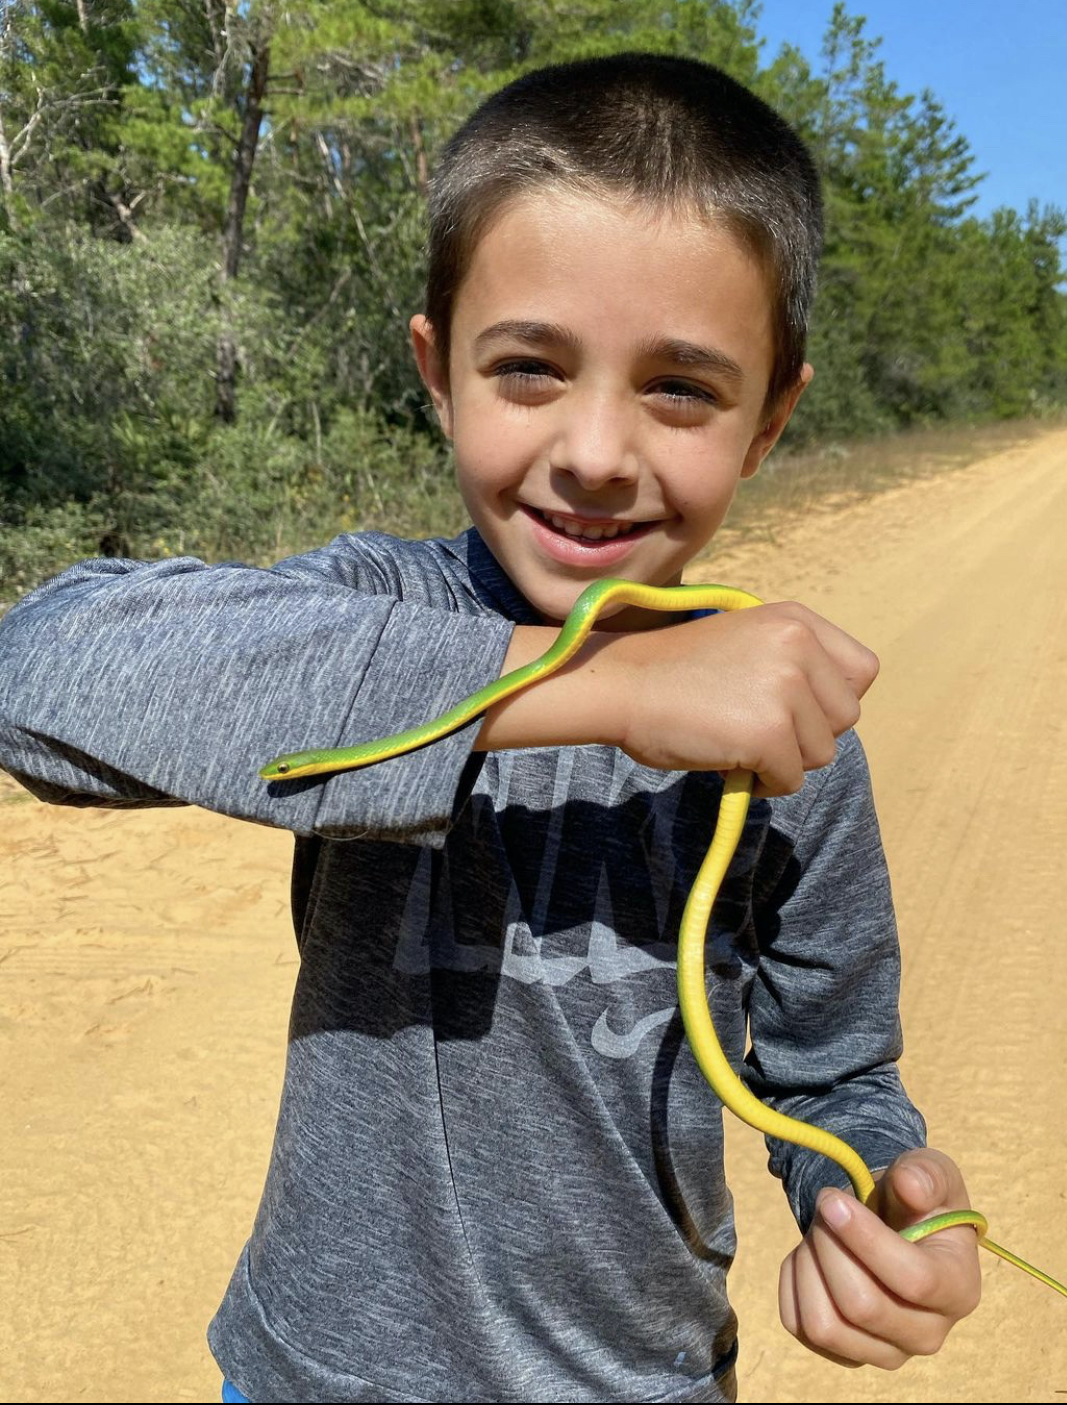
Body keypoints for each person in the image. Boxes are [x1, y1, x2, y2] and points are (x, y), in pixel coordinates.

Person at [0, 52, 981, 1405]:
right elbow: (43, 671)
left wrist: (867, 1193)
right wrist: (604, 691)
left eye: (681, 388)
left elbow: (835, 1068)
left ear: (770, 421)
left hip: (643, 1380)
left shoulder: (787, 734)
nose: (591, 447)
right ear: (437, 371)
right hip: (312, 1376)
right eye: (527, 368)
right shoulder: (378, 607)